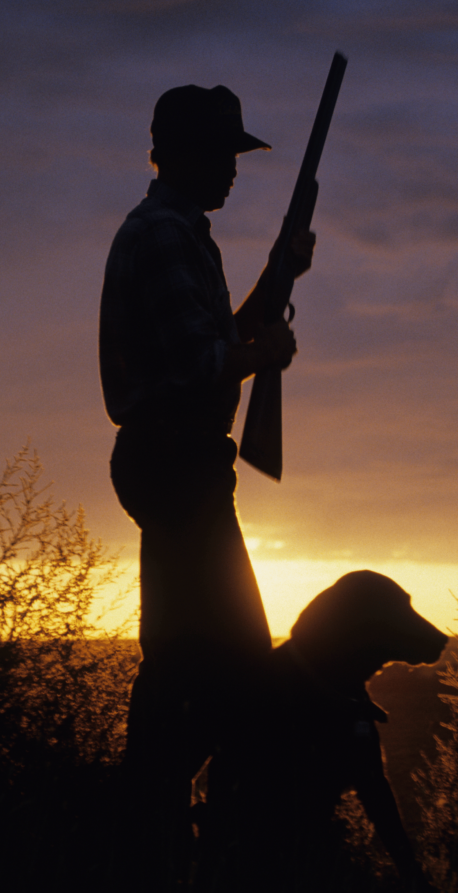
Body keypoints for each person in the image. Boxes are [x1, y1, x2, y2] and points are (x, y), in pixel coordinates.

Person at [99, 84, 315, 789]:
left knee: (181, 659)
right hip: (176, 463)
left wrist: (278, 272)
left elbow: (218, 337)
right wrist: (268, 352)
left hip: (176, 463)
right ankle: (212, 830)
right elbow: (204, 365)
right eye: (221, 152)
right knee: (240, 661)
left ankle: (141, 818)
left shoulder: (180, 230)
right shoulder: (164, 235)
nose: (232, 168)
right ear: (179, 154)